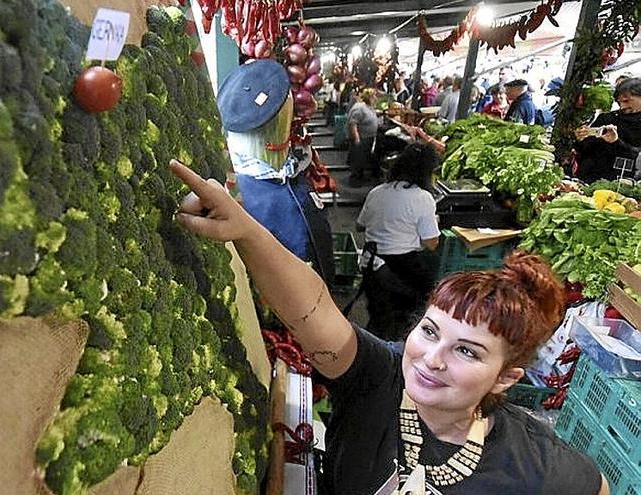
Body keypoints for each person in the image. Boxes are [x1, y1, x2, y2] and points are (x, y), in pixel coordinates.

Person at [167, 159, 609, 495]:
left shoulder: (534, 464)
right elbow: (316, 309)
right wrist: (246, 231)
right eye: (431, 331)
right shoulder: (379, 378)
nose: (432, 360)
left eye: (468, 351)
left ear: (507, 378)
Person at [356, 143, 441, 341]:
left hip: (372, 265)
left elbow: (360, 225)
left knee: (379, 316)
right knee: (407, 313)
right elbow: (431, 243)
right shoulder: (423, 198)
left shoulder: (376, 192)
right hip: (403, 269)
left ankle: (371, 349)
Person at [574, 77, 641, 183]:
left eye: (626, 101)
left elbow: (637, 156)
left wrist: (616, 142)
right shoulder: (607, 118)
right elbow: (584, 149)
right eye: (619, 102)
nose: (623, 106)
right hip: (587, 179)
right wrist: (581, 138)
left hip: (622, 184)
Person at [346, 88, 380, 184]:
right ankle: (354, 181)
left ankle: (360, 177)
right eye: (374, 96)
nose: (375, 98)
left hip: (368, 138)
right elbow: (353, 123)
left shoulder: (369, 107)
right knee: (358, 160)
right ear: (369, 97)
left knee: (363, 159)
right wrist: (356, 137)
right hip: (361, 138)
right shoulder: (359, 107)